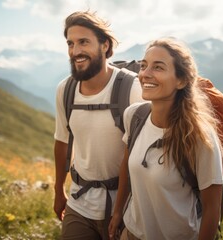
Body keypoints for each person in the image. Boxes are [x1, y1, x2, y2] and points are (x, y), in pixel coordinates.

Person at [109, 37, 223, 240]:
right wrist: (118, 213)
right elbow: (127, 166)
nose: (145, 74)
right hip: (132, 233)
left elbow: (212, 210)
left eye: (158, 67)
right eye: (144, 66)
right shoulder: (134, 116)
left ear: (181, 80)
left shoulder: (200, 137)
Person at [53, 11, 143, 240]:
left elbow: (140, 152)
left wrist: (120, 207)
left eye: (84, 42)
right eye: (70, 43)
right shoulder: (66, 90)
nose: (75, 51)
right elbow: (62, 140)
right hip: (79, 202)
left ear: (104, 45)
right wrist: (58, 190)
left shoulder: (132, 88)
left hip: (126, 207)